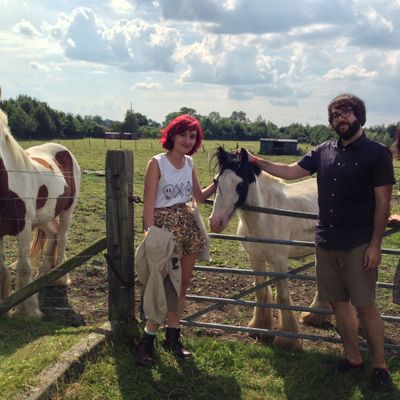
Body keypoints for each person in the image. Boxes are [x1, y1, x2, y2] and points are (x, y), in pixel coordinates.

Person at [245, 93, 395, 394]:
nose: (340, 119)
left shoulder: (377, 154)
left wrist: (375, 245)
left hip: (358, 242)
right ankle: (352, 358)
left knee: (365, 306)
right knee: (339, 304)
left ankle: (380, 367)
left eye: (346, 113)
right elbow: (290, 172)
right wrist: (256, 161)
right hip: (326, 241)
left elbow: (383, 202)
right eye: (334, 115)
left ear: (359, 116)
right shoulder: (323, 151)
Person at [134, 114, 216, 367]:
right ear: (172, 135)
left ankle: (172, 337)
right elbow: (148, 202)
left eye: (193, 136)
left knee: (182, 285)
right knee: (165, 285)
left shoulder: (190, 162)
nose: (188, 140)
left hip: (188, 227)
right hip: (165, 230)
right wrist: (150, 233)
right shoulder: (157, 163)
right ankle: (146, 341)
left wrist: (219, 181)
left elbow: (199, 196)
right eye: (183, 134)